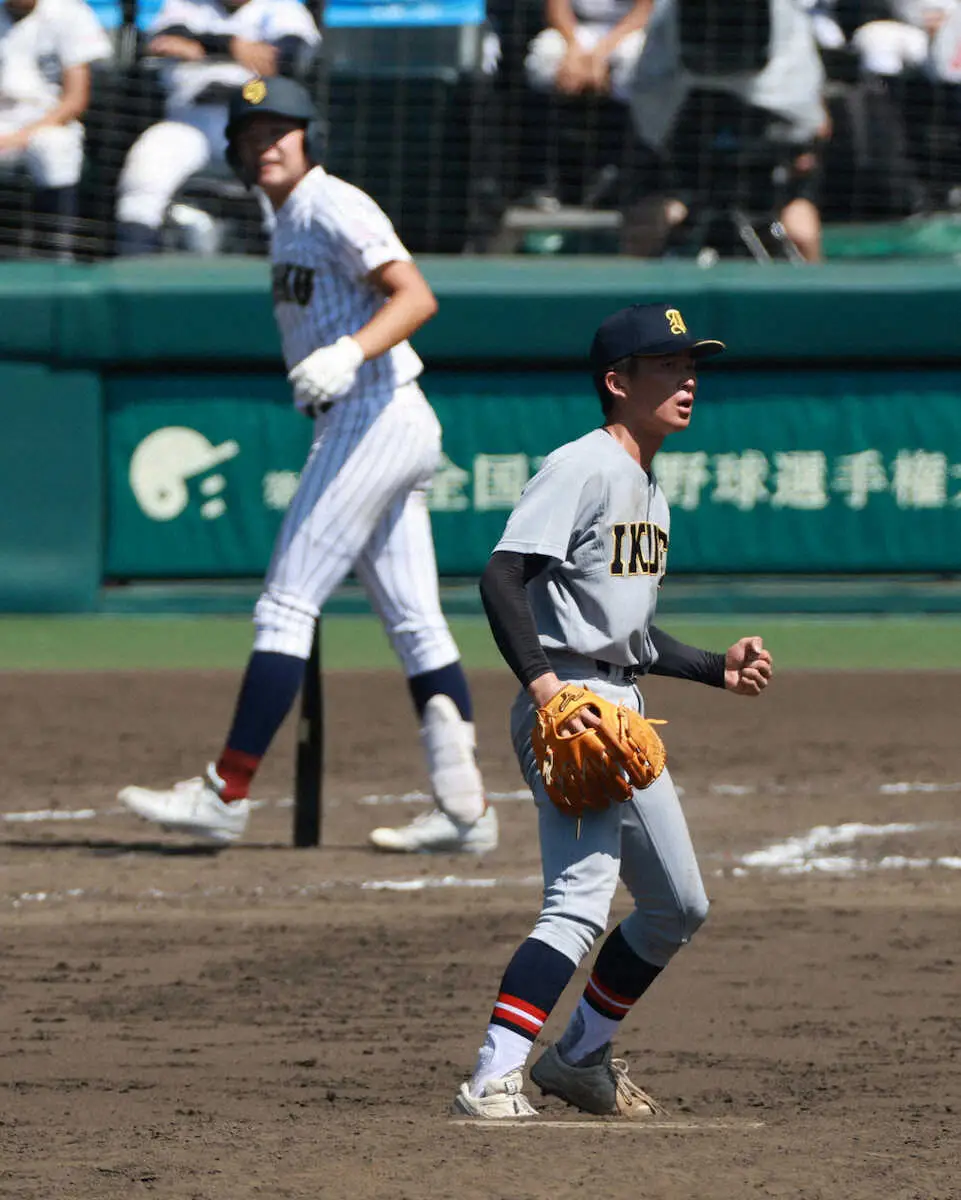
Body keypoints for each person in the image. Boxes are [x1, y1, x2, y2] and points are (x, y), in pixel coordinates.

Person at [118, 77, 498, 857]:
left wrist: (348, 350)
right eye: (249, 137)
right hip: (375, 416)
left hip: (373, 411)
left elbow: (415, 295)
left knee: (286, 606)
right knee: (416, 624)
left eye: (278, 131)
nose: (265, 145)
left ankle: (226, 793)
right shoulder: (286, 219)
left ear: (308, 136)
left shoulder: (330, 202)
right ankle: (466, 812)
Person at [453, 302, 773, 1118]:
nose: (686, 378)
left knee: (677, 906)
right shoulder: (583, 466)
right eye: (666, 366)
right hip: (571, 701)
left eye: (689, 364)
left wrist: (714, 668)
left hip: (614, 701)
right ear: (616, 382)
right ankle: (491, 1078)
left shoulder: (647, 489)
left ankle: (580, 1059)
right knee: (578, 899)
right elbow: (501, 577)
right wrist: (547, 691)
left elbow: (625, 632)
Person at [627, 0, 829, 262]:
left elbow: (812, 120)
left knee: (803, 235)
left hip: (769, 189)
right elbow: (649, 101)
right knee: (645, 228)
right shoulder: (668, 16)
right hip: (684, 178)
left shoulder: (785, 17)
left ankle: (811, 301)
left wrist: (804, 144)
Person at [114, 0, 320, 256]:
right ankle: (135, 271)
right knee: (146, 166)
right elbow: (166, 40)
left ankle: (288, 270)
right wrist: (237, 47)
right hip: (189, 121)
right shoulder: (186, 5)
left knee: (285, 187)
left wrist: (203, 45)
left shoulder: (282, 8)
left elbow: (288, 57)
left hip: (257, 126)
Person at [0, 0, 111, 258]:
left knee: (55, 147)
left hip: (49, 121)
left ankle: (59, 258)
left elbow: (76, 99)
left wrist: (20, 137)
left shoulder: (69, 12)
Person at [525, 0, 653, 103]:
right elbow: (557, 9)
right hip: (575, 27)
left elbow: (643, 12)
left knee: (633, 58)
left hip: (624, 31)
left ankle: (623, 117)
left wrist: (600, 55)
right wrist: (574, 50)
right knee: (544, 53)